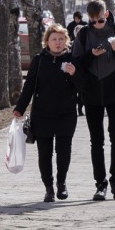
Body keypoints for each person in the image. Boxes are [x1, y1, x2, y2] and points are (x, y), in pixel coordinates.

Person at [72, 0, 115, 201]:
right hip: (91, 94)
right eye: (93, 21)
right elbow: (76, 64)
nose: (97, 25)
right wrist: (91, 55)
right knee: (96, 141)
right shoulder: (83, 34)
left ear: (107, 14)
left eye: (100, 20)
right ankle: (100, 184)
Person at [14, 24, 81, 202]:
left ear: (66, 41)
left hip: (66, 113)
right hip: (42, 114)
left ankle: (62, 183)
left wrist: (75, 74)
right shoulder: (39, 60)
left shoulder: (73, 59)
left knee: (63, 151)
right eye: (54, 39)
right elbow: (29, 86)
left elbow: (83, 88)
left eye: (61, 39)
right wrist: (20, 108)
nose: (58, 43)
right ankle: (49, 188)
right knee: (45, 154)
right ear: (47, 42)